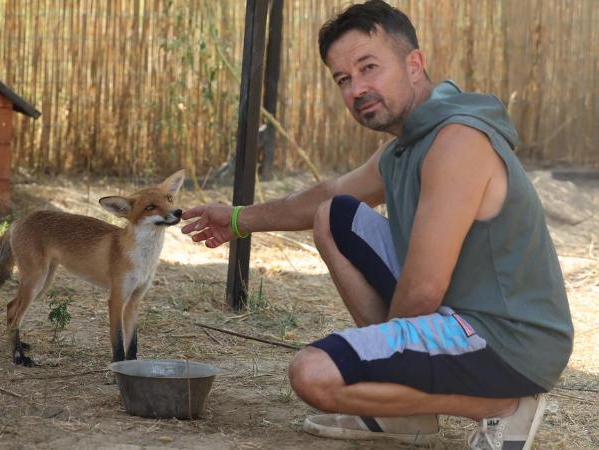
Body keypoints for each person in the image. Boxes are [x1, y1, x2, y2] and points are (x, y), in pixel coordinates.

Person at [180, 1, 573, 448]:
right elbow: (326, 197)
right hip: (459, 314)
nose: (357, 89)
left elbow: (423, 290)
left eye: (369, 68)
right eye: (343, 79)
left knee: (314, 375)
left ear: (414, 64)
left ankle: (505, 405)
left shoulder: (457, 142)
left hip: (508, 341)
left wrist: (381, 357)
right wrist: (236, 219)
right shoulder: (406, 146)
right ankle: (405, 416)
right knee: (335, 215)